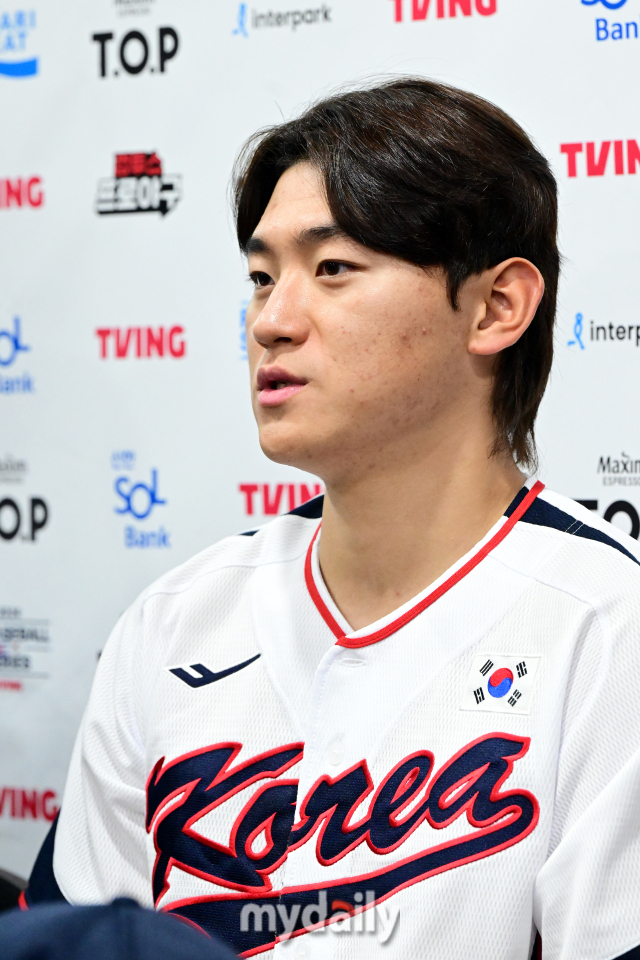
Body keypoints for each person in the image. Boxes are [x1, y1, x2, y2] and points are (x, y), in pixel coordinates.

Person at [24, 78, 640, 959]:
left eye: (333, 269)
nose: (271, 322)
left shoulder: (608, 627)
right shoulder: (173, 620)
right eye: (261, 278)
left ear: (497, 306)